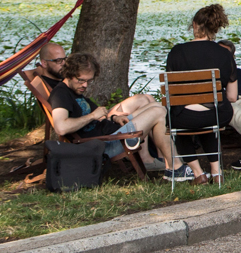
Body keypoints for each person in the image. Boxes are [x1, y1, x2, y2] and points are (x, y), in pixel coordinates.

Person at [49, 53, 189, 180]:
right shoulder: (60, 94)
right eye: (81, 80)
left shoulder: (75, 91)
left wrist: (113, 118)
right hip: (108, 143)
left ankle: (171, 165)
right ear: (69, 74)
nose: (85, 85)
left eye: (88, 81)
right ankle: (176, 168)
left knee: (157, 106)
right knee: (158, 113)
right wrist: (92, 116)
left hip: (113, 132)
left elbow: (99, 117)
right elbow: (61, 128)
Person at [162, 4, 240, 183]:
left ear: (195, 25)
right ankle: (216, 172)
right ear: (215, 29)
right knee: (209, 121)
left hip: (185, 116)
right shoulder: (225, 54)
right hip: (217, 115)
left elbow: (172, 93)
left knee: (177, 124)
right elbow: (232, 97)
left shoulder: (176, 52)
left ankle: (198, 173)